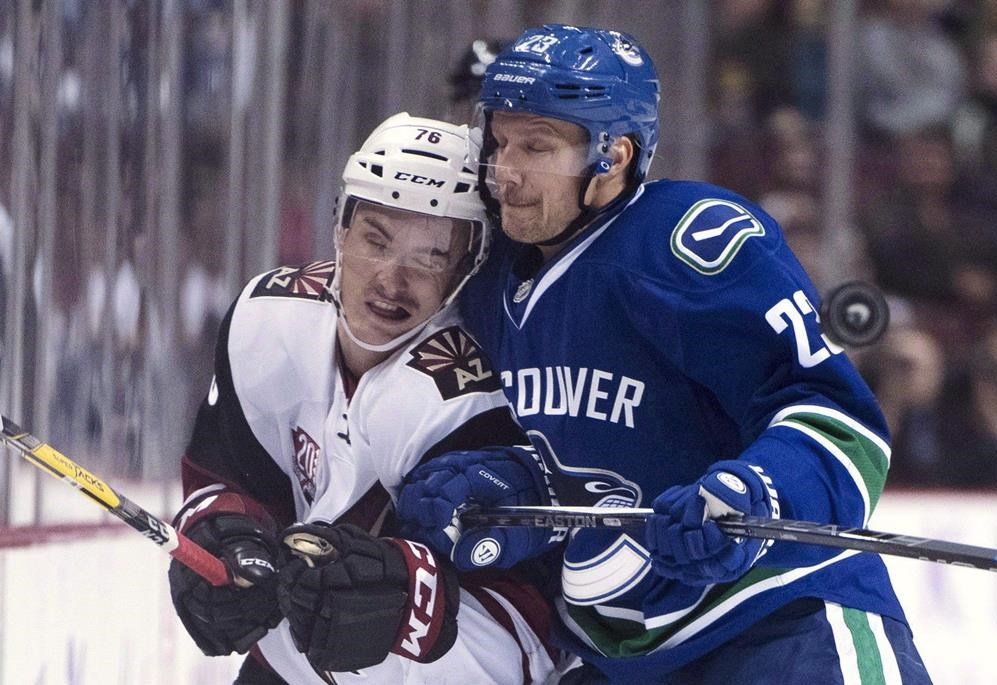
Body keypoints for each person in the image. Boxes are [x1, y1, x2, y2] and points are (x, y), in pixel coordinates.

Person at [396, 24, 931, 684]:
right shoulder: (490, 282)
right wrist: (519, 487)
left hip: (781, 618)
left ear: (612, 156)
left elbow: (840, 424)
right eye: (500, 142)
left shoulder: (686, 247)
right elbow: (610, 452)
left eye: (536, 147)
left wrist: (758, 493)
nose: (506, 171)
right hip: (623, 651)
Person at [167, 113, 559, 684]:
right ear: (341, 230)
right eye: (377, 240)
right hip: (291, 667)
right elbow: (220, 474)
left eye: (430, 256)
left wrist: (407, 601)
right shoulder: (268, 320)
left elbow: (528, 635)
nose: (391, 281)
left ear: (469, 266)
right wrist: (224, 533)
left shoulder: (475, 395)